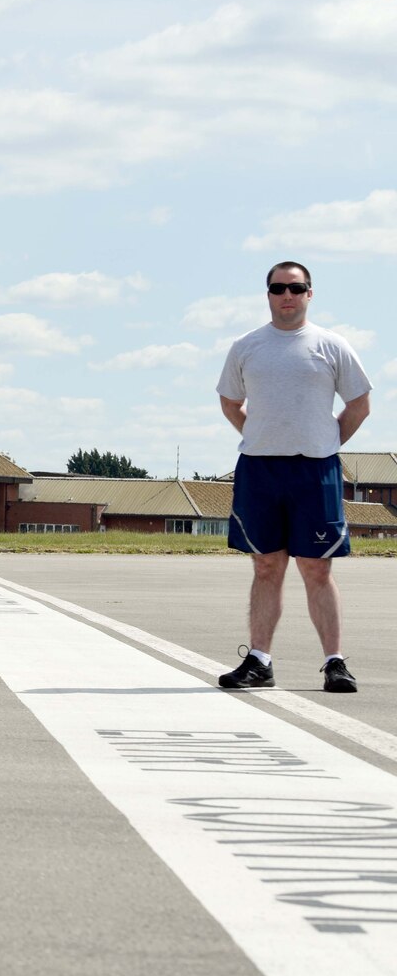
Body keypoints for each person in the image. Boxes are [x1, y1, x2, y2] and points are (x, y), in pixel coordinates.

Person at [215, 261, 373, 694]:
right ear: (267, 293)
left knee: (316, 568)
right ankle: (259, 662)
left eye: (296, 287)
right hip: (260, 468)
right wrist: (260, 435)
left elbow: (359, 403)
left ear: (310, 293)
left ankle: (335, 663)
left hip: (314, 468)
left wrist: (326, 441)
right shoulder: (247, 346)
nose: (287, 295)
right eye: (278, 288)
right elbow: (231, 403)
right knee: (266, 566)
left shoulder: (331, 345)